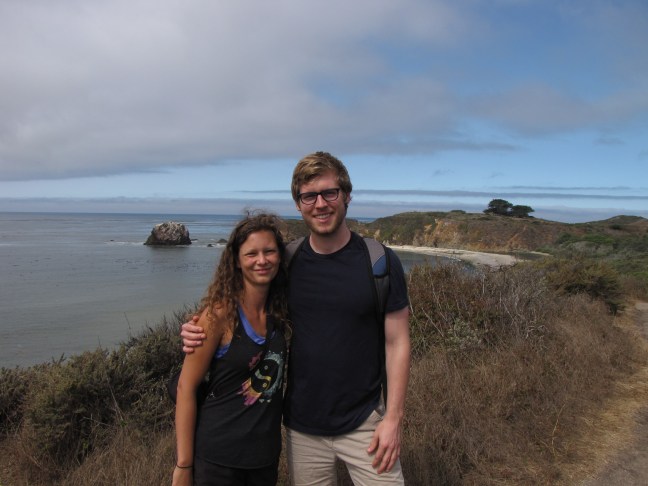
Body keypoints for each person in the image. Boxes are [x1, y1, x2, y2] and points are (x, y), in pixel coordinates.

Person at [182, 152, 411, 485]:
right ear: (298, 204)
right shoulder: (287, 262)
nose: (320, 204)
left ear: (346, 195)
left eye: (329, 193)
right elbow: (239, 302)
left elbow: (398, 342)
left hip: (367, 423)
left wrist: (393, 418)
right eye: (309, 196)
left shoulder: (379, 262)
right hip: (302, 430)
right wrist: (196, 327)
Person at [173, 213, 289, 486]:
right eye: (251, 254)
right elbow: (185, 387)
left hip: (264, 459)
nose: (262, 260)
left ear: (280, 256)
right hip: (218, 460)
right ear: (236, 260)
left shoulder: (280, 311)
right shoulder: (219, 314)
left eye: (269, 251)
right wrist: (184, 465)